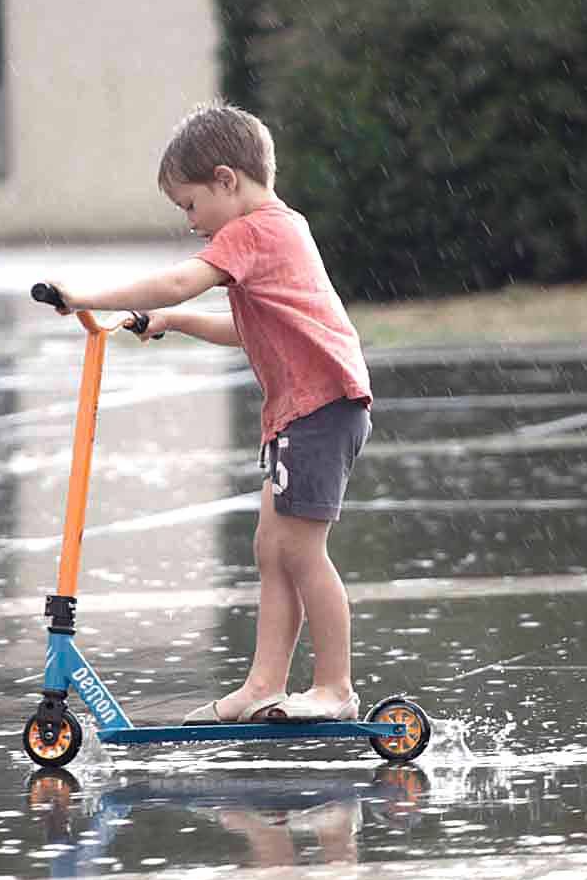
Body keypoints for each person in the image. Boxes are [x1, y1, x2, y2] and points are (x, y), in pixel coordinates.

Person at [40, 102, 372, 724]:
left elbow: (174, 284)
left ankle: (335, 688)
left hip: (319, 408)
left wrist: (82, 295)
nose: (192, 223)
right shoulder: (280, 230)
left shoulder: (252, 233)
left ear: (227, 180)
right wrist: (175, 323)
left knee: (301, 552)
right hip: (306, 410)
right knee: (272, 550)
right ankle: (263, 685)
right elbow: (249, 330)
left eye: (191, 205)